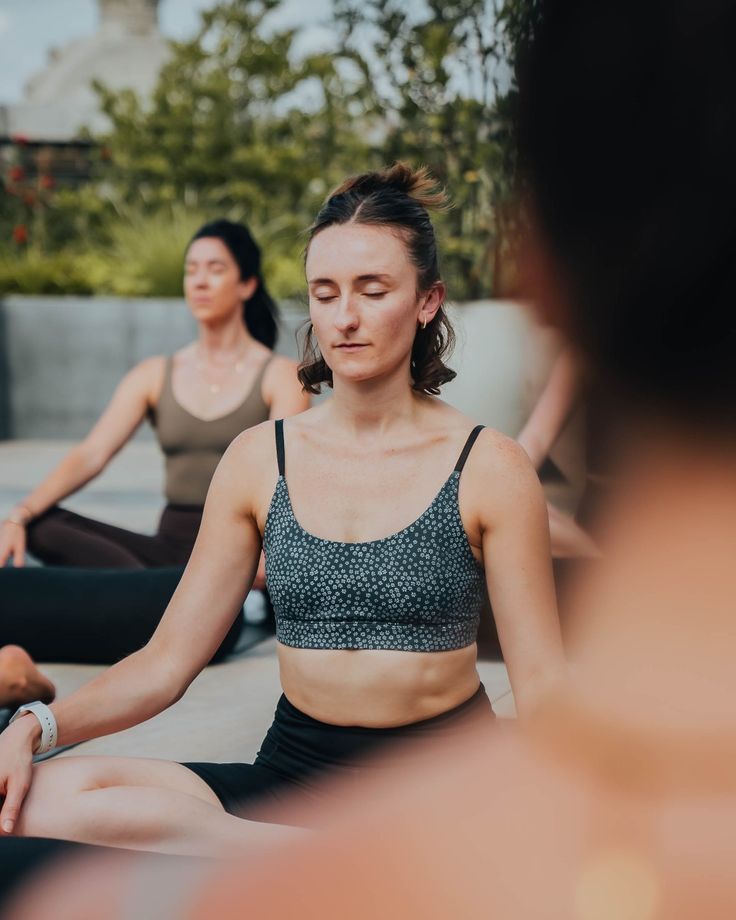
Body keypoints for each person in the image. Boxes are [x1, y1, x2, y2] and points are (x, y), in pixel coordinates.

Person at [0, 164, 564, 855]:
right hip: (292, 778)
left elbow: (542, 685)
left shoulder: (489, 464)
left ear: (428, 300)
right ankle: (314, 860)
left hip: (445, 786)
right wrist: (34, 727)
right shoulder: (259, 458)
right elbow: (165, 663)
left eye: (373, 290)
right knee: (39, 800)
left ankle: (301, 862)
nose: (344, 317)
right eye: (325, 294)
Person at [0, 219, 308, 675]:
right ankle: (158, 600)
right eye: (191, 269)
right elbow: (92, 454)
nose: (199, 281)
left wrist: (264, 561)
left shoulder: (280, 376)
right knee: (44, 524)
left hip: (233, 554)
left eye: (215, 269)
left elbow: (286, 481)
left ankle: (173, 602)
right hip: (163, 551)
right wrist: (19, 516)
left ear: (246, 284)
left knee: (146, 591)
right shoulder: (154, 373)